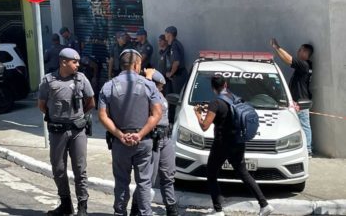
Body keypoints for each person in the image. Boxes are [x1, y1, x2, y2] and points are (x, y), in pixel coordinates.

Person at [193, 75, 274, 216]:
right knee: (243, 173)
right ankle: (264, 204)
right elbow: (227, 113)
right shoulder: (234, 98)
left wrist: (198, 114)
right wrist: (210, 108)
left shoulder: (216, 103)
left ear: (213, 88)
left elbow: (204, 126)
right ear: (225, 85)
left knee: (211, 174)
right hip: (238, 142)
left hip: (222, 144)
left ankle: (218, 210)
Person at [99, 49, 162, 216]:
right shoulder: (149, 85)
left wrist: (119, 134)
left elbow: (102, 116)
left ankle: (120, 212)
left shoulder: (108, 86)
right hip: (144, 142)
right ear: (136, 64)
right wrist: (140, 134)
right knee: (144, 183)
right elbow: (157, 114)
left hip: (120, 143)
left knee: (121, 182)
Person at [38, 48, 96, 216]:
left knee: (80, 169)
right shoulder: (48, 81)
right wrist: (56, 118)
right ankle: (65, 204)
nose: (78, 65)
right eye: (74, 62)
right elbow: (42, 105)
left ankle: (82, 207)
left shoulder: (81, 79)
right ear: (64, 62)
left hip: (77, 131)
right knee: (58, 168)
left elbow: (91, 102)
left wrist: (77, 118)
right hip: (57, 132)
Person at [131, 69, 179, 216]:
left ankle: (171, 208)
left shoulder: (160, 95)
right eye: (160, 85)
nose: (162, 88)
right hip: (153, 139)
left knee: (168, 175)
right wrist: (148, 78)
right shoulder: (145, 94)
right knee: (148, 179)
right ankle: (135, 208)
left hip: (165, 138)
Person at [271, 38, 314, 156]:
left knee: (304, 125)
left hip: (301, 102)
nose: (298, 52)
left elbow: (288, 60)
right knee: (302, 125)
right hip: (299, 101)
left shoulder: (304, 65)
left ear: (305, 53)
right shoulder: (306, 65)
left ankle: (308, 150)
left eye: (300, 50)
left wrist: (277, 47)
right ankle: (305, 148)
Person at [164, 26, 188, 95]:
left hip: (179, 76)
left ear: (169, 34)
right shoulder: (174, 44)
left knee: (177, 97)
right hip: (178, 75)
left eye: (165, 33)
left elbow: (176, 62)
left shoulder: (174, 45)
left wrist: (171, 73)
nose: (165, 35)